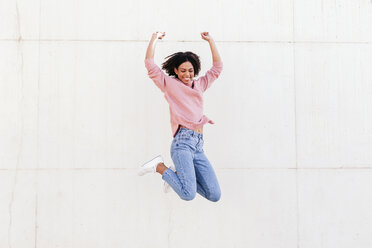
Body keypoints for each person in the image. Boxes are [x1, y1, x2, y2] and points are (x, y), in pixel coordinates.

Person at [138, 31, 223, 202]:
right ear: (175, 70)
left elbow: (217, 68)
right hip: (182, 143)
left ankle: (175, 176)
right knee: (188, 194)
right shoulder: (169, 84)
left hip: (198, 145)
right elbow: (149, 63)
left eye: (190, 70)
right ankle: (159, 167)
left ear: (195, 70)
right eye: (182, 70)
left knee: (214, 194)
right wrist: (154, 39)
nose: (187, 74)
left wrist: (211, 41)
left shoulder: (200, 85)